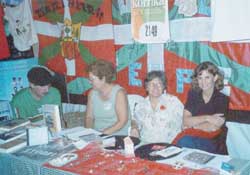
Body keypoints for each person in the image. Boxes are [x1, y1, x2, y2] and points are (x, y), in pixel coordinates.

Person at [174, 61, 229, 154]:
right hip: (192, 137)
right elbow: (185, 121)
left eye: (207, 77)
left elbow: (214, 126)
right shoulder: (193, 94)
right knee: (183, 142)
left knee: (184, 141)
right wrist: (207, 118)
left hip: (213, 141)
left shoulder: (222, 99)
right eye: (200, 78)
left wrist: (193, 126)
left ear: (215, 78)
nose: (203, 82)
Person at [131, 70, 184, 143]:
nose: (156, 87)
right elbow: (135, 121)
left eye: (159, 84)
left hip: (170, 146)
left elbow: (184, 122)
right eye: (152, 84)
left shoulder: (174, 102)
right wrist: (134, 128)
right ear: (146, 87)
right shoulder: (141, 105)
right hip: (146, 145)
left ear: (163, 87)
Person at [84, 59, 130, 135]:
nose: (89, 82)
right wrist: (89, 133)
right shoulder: (92, 93)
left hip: (116, 134)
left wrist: (102, 134)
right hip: (97, 134)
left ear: (103, 79)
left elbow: (122, 121)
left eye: (92, 80)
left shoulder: (119, 93)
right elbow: (89, 117)